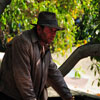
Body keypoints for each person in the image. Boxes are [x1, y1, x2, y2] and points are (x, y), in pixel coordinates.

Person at [0, 11, 74, 100]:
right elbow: (23, 79)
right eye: (50, 30)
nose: (53, 34)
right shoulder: (23, 42)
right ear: (39, 29)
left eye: (55, 31)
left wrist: (68, 96)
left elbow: (53, 73)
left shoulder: (44, 45)